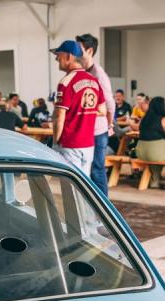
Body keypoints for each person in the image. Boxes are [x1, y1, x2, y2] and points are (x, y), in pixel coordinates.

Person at [50, 40, 107, 174]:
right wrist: (83, 111)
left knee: (70, 188)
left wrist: (55, 142)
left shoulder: (66, 82)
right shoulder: (94, 80)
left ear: (69, 56)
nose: (56, 58)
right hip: (88, 143)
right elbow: (102, 111)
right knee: (83, 184)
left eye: (59, 55)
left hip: (70, 144)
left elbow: (59, 117)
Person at [76, 33, 115, 195]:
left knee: (97, 169)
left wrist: (108, 124)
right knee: (87, 169)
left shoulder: (98, 74)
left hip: (98, 131)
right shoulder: (82, 71)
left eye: (79, 49)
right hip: (86, 129)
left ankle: (103, 209)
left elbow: (110, 104)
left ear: (89, 51)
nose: (75, 52)